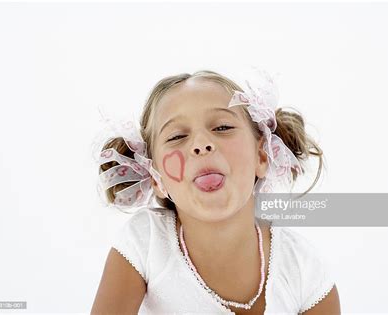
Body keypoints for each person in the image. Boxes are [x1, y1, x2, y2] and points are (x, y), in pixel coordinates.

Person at [90, 68, 341, 314]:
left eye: (222, 127)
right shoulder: (144, 244)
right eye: (177, 136)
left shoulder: (304, 269)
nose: (201, 144)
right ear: (156, 177)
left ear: (262, 155)